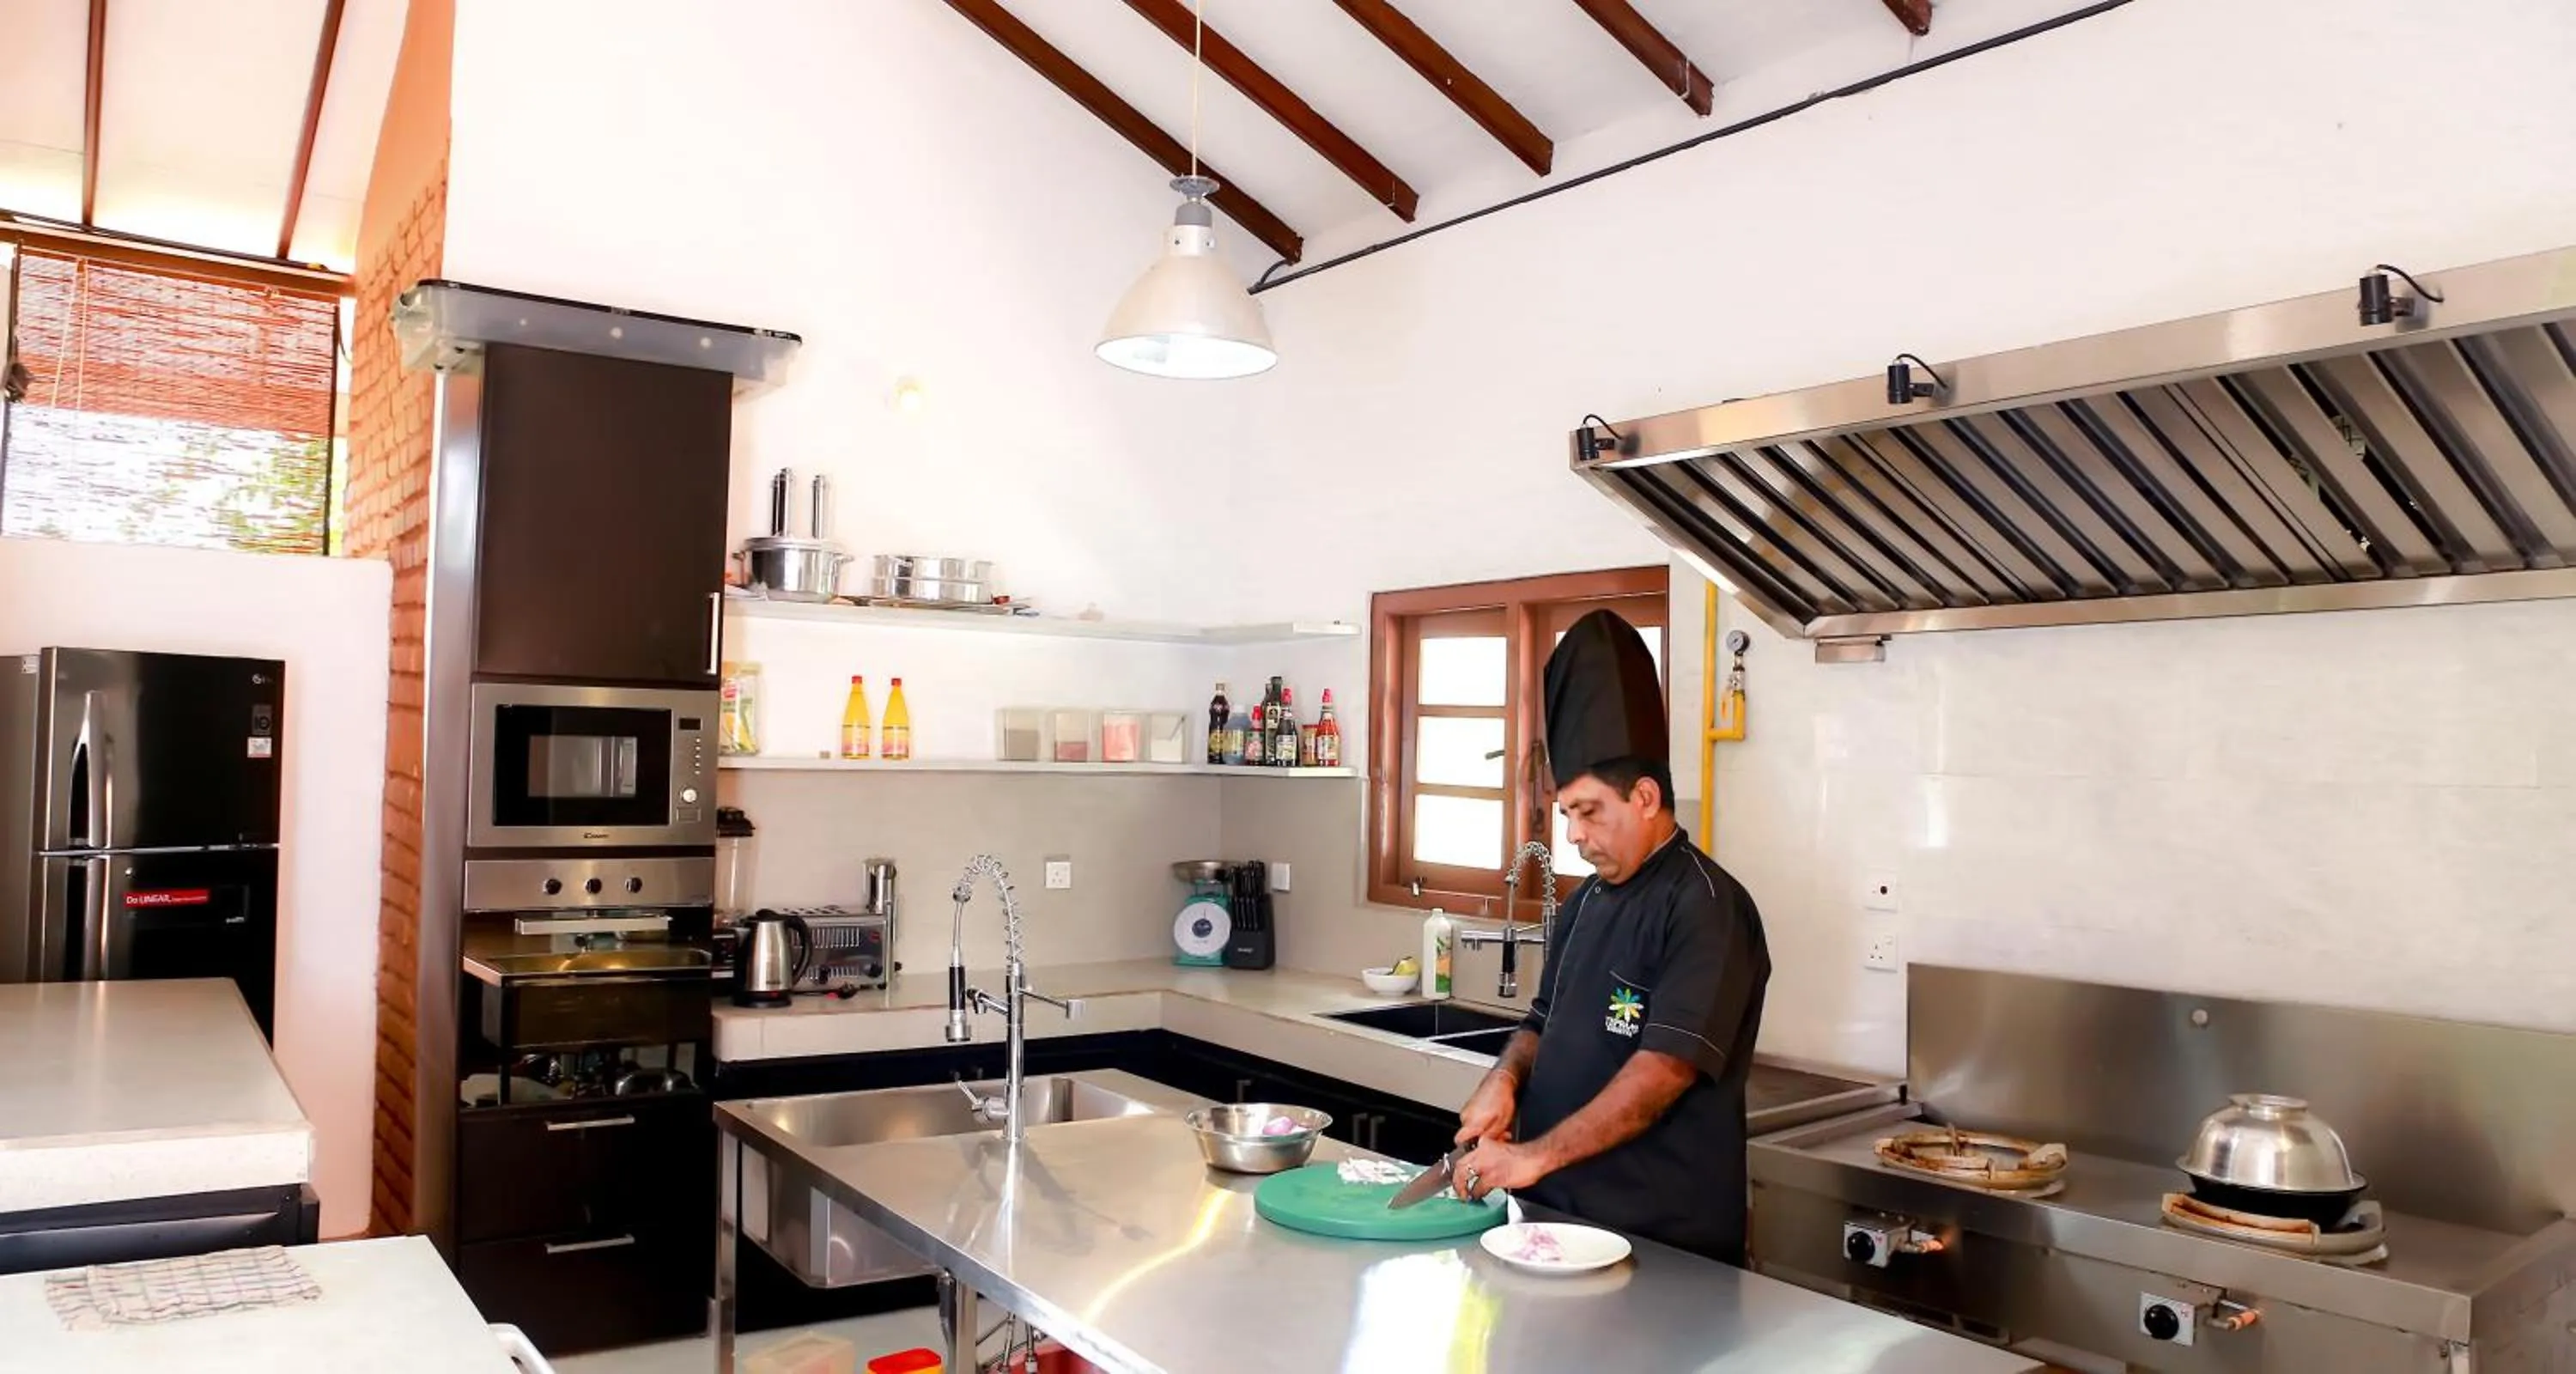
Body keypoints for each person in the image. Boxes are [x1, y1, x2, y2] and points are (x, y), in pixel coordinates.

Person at [1449, 609, 1771, 1264]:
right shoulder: (1586, 901)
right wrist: (1504, 1079)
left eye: (1589, 812)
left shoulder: (1709, 908)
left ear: (1647, 798)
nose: (1573, 835)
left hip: (1662, 1243)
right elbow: (1542, 1021)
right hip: (1556, 1225)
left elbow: (1661, 1072)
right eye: (1567, 813)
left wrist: (1534, 1155)